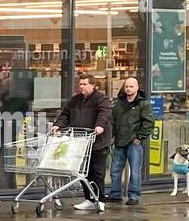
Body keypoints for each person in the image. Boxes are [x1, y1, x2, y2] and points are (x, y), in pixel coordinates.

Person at [51, 73, 112, 210]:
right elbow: (65, 114)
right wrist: (58, 124)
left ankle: (99, 199)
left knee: (97, 172)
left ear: (92, 85)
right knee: (84, 172)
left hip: (97, 142)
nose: (82, 87)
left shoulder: (101, 99)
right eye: (80, 84)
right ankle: (89, 199)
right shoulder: (75, 100)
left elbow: (104, 113)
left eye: (85, 84)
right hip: (80, 142)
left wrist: (99, 126)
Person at [107, 76, 154, 205]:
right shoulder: (119, 104)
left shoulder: (143, 104)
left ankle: (134, 196)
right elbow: (113, 121)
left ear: (137, 88)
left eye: (131, 86)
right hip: (119, 141)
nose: (128, 89)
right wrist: (112, 136)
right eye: (126, 86)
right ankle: (115, 194)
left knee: (135, 171)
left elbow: (149, 123)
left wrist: (139, 138)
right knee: (115, 170)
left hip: (134, 142)